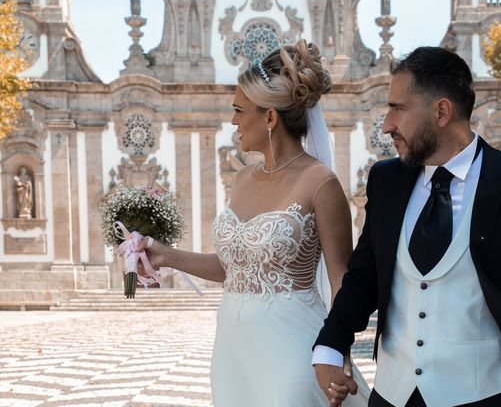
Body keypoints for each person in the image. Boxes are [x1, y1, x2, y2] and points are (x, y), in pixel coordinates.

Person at [313, 47, 501, 407]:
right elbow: (364, 276)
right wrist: (330, 341)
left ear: (441, 111)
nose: (387, 124)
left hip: (489, 397)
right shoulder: (386, 181)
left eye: (397, 109)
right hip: (392, 397)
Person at [139, 40, 369, 406]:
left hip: (293, 345)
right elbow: (232, 266)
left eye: (238, 110)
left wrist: (337, 349)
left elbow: (342, 278)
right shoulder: (243, 179)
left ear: (270, 117)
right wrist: (166, 256)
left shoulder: (321, 183)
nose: (232, 120)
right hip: (233, 346)